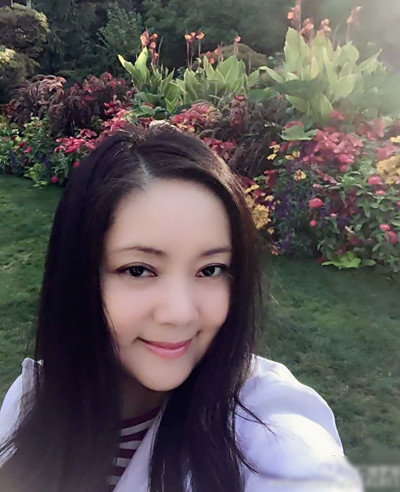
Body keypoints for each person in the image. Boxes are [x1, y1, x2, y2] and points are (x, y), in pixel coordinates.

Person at [0, 125, 362, 492]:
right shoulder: (31, 399)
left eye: (210, 270)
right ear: (78, 275)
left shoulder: (270, 429)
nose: (180, 314)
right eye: (138, 270)